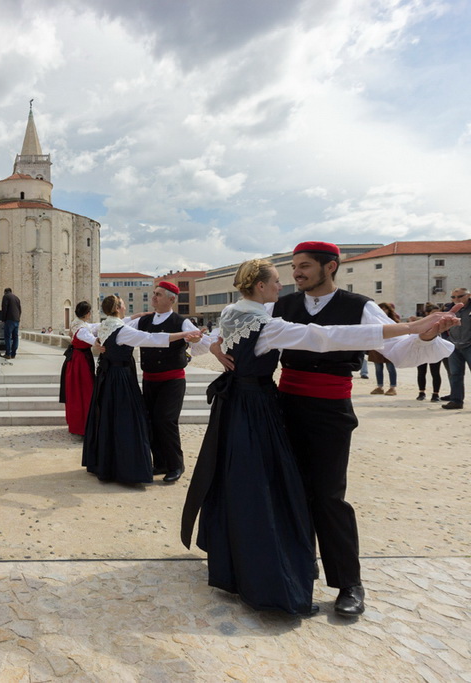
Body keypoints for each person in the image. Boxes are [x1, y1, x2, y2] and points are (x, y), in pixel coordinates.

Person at [181, 259, 455, 616]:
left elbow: (391, 350)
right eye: (284, 273)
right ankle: (287, 569)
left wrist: (420, 332)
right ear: (261, 286)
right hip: (276, 409)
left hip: (319, 410)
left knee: (325, 495)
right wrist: (410, 324)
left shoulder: (354, 306)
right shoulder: (270, 314)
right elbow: (326, 337)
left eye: (303, 266)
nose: (291, 277)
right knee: (275, 490)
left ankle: (347, 582)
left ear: (330, 266)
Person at [81, 295, 201, 485]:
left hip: (109, 378)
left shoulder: (105, 325)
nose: (125, 307)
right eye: (123, 304)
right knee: (131, 420)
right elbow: (151, 339)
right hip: (122, 380)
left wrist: (94, 341)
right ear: (118, 308)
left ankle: (168, 464)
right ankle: (137, 466)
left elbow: (82, 329)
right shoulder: (123, 330)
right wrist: (183, 334)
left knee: (116, 419)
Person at [134, 281, 211, 483]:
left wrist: (194, 341)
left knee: (166, 421)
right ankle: (160, 463)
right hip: (149, 380)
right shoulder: (143, 321)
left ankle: (176, 465)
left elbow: (203, 343)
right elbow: (122, 331)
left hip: (172, 381)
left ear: (171, 299)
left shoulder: (181, 322)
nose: (154, 297)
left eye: (158, 294)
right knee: (151, 421)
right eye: (154, 293)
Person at [58, 301, 96, 436]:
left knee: (76, 392)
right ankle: (83, 426)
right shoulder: (82, 329)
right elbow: (94, 341)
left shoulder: (76, 323)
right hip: (80, 363)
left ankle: (78, 425)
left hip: (75, 360)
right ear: (87, 314)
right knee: (84, 391)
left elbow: (96, 326)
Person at [442, 287, 471, 409]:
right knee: (455, 374)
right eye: (453, 297)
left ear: (468, 295)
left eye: (460, 296)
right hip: (454, 346)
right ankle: (456, 401)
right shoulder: (449, 309)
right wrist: (447, 340)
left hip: (469, 346)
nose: (456, 299)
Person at [368, 303, 400, 395]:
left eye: (385, 309)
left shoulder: (392, 321)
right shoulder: (373, 320)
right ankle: (380, 387)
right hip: (377, 346)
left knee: (390, 368)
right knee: (378, 368)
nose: (383, 311)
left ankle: (392, 387)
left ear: (389, 310)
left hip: (390, 346)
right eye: (381, 309)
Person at [414, 304, 444, 401]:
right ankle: (421, 392)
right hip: (422, 349)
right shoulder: (421, 323)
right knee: (421, 372)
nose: (437, 315)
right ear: (427, 313)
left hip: (435, 349)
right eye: (434, 313)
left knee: (435, 372)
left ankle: (435, 394)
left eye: (439, 312)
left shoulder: (442, 323)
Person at [0, 288, 21, 359]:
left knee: (7, 337)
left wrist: (3, 319)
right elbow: (20, 310)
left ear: (5, 292)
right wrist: (18, 318)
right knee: (15, 337)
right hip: (16, 320)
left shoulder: (6, 296)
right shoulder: (17, 298)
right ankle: (13, 354)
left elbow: (4, 308)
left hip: (9, 320)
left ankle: (8, 354)